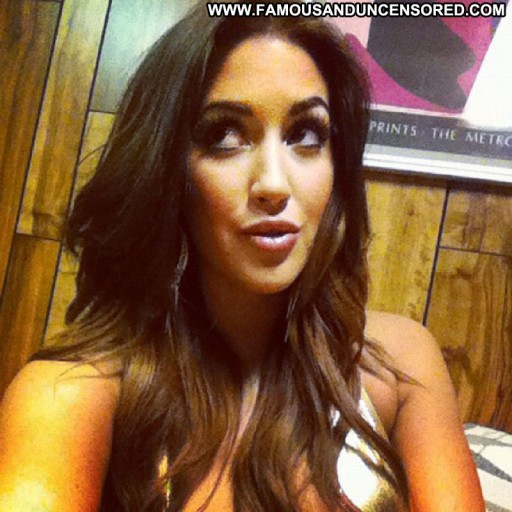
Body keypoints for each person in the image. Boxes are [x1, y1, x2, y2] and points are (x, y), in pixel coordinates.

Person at [0, 1, 485, 511]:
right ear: (167, 169)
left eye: (305, 135)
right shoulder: (70, 392)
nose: (273, 184)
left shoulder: (401, 365)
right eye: (225, 136)